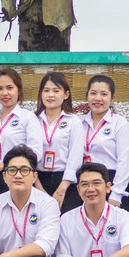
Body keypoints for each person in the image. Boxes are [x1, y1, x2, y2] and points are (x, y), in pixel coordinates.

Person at [74, 74, 129, 211]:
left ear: (112, 98)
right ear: (87, 96)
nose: (98, 98)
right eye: (93, 93)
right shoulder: (78, 123)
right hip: (85, 183)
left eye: (104, 94)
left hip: (111, 183)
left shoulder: (119, 123)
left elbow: (124, 161)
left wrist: (116, 193)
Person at [0, 69, 46, 200]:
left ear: (18, 90)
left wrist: (4, 165)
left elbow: (36, 152)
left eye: (9, 88)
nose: (4, 93)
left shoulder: (27, 117)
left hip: (19, 177)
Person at [35, 72, 84, 209]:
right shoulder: (33, 120)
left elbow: (75, 156)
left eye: (56, 91)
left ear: (66, 94)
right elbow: (29, 155)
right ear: (41, 93)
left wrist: (62, 188)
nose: (50, 95)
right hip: (38, 180)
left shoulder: (73, 121)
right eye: (46, 90)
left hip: (66, 182)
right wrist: (38, 186)